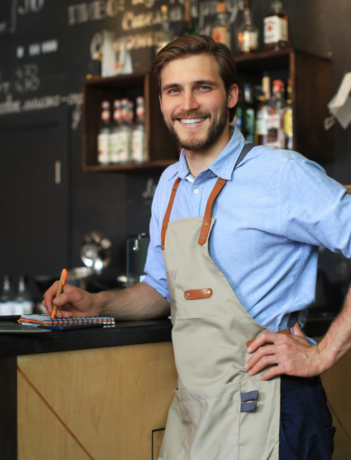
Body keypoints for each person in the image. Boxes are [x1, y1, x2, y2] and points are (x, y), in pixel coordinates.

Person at [43, 35, 351, 459]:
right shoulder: (170, 185)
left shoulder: (280, 174)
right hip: (196, 413)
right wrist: (98, 303)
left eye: (202, 87)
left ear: (231, 96)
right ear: (162, 103)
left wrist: (324, 352)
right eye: (174, 90)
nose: (187, 103)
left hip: (272, 412)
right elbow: (161, 289)